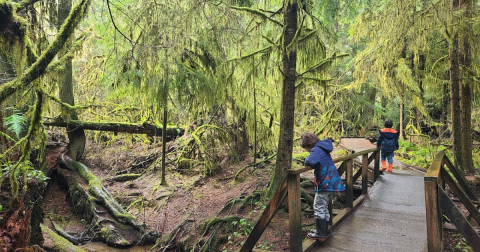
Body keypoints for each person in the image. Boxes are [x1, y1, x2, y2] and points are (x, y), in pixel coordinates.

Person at [300, 133, 346, 241]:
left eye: (306, 148)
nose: (307, 150)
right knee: (323, 206)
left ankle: (321, 233)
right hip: (331, 181)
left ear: (308, 145)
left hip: (325, 183)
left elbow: (311, 161)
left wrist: (306, 160)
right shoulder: (323, 148)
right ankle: (323, 231)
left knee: (318, 206)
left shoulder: (316, 149)